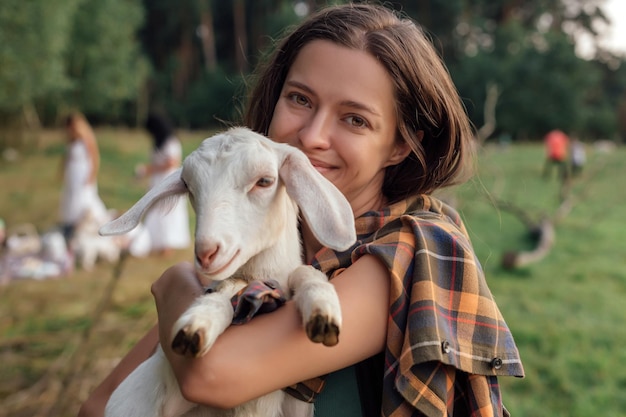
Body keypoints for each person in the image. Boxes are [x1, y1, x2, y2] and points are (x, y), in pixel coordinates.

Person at [78, 4, 524, 417]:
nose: (312, 136)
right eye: (300, 99)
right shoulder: (259, 247)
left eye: (355, 119)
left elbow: (209, 374)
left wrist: (175, 282)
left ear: (400, 145)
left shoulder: (407, 254)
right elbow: (98, 405)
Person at [135, 112, 191, 256]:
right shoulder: (158, 143)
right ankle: (154, 241)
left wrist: (149, 169)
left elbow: (172, 162)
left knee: (167, 212)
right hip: (157, 181)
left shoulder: (171, 142)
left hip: (168, 180)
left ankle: (167, 244)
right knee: (155, 212)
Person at [59, 112, 108, 244]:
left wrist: (91, 176)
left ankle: (85, 225)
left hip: (83, 174)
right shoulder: (72, 140)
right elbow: (66, 157)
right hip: (72, 175)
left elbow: (95, 158)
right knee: (71, 199)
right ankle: (71, 225)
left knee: (83, 200)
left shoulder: (86, 138)